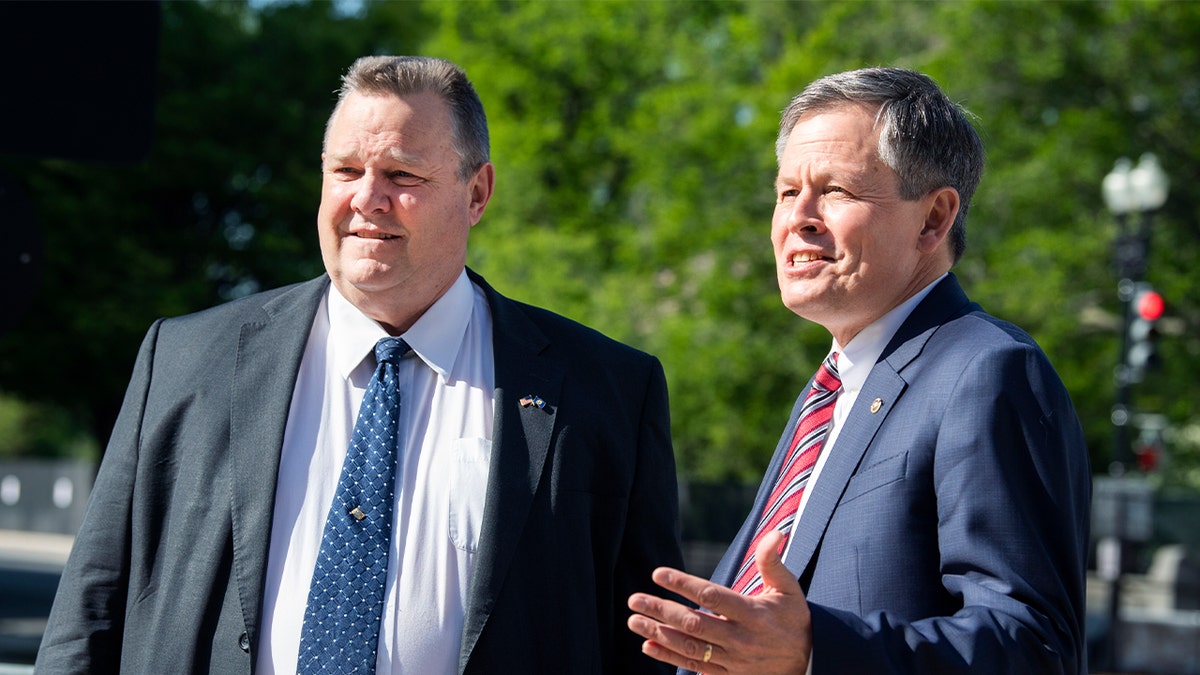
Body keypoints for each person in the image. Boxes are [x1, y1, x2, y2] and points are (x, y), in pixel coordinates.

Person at [36, 55, 683, 674]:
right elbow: (93, 608)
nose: (367, 198)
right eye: (345, 170)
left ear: (477, 192)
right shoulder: (184, 362)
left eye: (402, 176)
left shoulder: (608, 392)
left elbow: (648, 648)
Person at [627, 67, 1091, 674]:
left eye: (837, 191)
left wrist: (815, 651)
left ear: (933, 219)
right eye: (787, 192)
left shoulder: (988, 371)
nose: (800, 217)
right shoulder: (831, 389)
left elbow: (1034, 647)